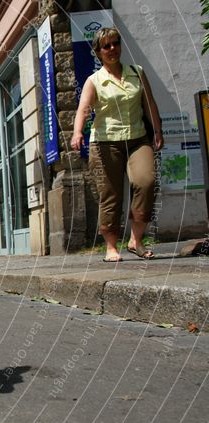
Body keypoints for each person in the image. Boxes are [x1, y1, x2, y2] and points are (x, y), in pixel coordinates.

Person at [71, 27, 162, 262]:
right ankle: (111, 247)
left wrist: (158, 129)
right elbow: (83, 109)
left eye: (115, 43)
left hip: (137, 138)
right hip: (104, 144)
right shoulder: (94, 81)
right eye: (106, 46)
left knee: (146, 181)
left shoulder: (137, 72)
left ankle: (136, 240)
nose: (112, 49)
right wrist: (77, 132)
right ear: (98, 52)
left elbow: (149, 103)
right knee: (110, 195)